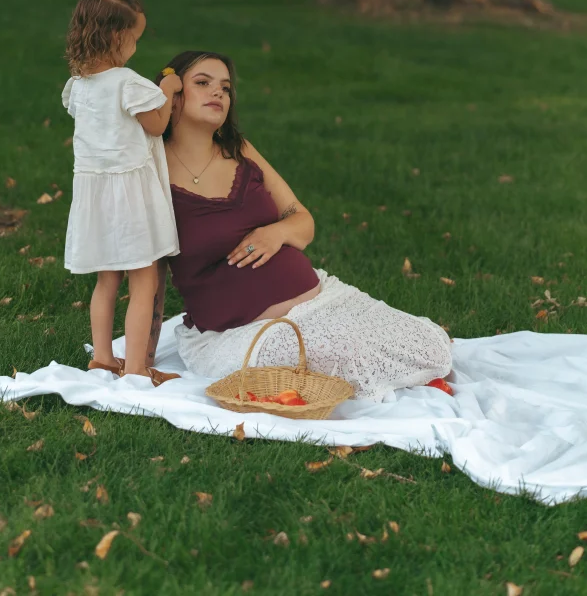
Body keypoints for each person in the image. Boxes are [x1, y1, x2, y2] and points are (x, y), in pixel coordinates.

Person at [150, 51, 452, 402]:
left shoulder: (240, 150)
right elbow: (149, 274)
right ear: (172, 95)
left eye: (226, 88)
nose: (218, 93)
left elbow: (302, 220)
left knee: (433, 347)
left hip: (322, 301)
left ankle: (377, 366)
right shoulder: (152, 168)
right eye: (203, 83)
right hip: (240, 333)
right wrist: (141, 362)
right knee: (342, 354)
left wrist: (275, 232)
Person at [62, 0, 183, 384]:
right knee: (144, 280)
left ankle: (101, 357)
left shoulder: (78, 86)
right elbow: (156, 125)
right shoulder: (129, 84)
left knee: (106, 280)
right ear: (114, 38)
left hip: (95, 195)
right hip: (129, 197)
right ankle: (134, 368)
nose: (135, 48)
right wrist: (166, 89)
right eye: (134, 39)